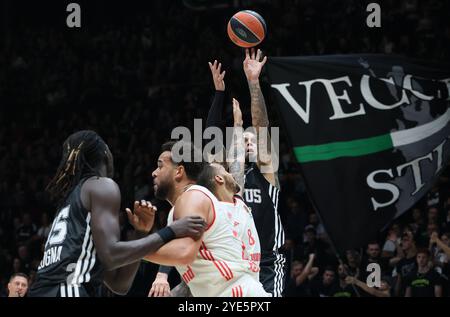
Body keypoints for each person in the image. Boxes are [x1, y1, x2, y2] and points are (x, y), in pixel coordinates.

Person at [28, 130, 205, 297]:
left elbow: (119, 284)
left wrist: (140, 234)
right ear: (104, 154)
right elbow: (112, 255)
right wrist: (171, 231)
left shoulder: (72, 201)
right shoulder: (101, 185)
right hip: (67, 288)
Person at [204, 49, 286, 296]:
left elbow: (261, 124)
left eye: (253, 140)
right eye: (244, 139)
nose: (250, 142)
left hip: (267, 263)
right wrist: (219, 94)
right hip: (232, 263)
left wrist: (253, 83)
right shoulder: (225, 179)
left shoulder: (266, 174)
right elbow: (211, 145)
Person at [144, 141, 269, 297]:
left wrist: (131, 250)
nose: (154, 173)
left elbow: (183, 252)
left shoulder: (199, 199)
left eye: (160, 166)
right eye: (224, 169)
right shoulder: (213, 205)